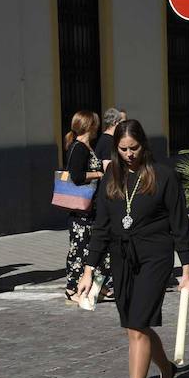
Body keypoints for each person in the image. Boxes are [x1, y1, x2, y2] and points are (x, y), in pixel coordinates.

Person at [76, 119, 189, 378]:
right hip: (122, 257)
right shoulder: (111, 178)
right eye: (123, 149)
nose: (129, 154)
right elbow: (101, 227)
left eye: (134, 148)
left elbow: (180, 225)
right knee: (134, 324)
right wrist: (89, 270)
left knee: (138, 324)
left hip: (155, 257)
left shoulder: (163, 176)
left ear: (144, 145)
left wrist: (187, 270)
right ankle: (166, 369)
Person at [64, 110, 111, 304]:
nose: (98, 128)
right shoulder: (79, 148)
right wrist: (98, 174)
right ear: (89, 126)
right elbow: (76, 176)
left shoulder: (87, 146)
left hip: (91, 209)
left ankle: (98, 287)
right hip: (81, 211)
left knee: (97, 248)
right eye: (96, 124)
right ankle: (72, 288)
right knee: (80, 249)